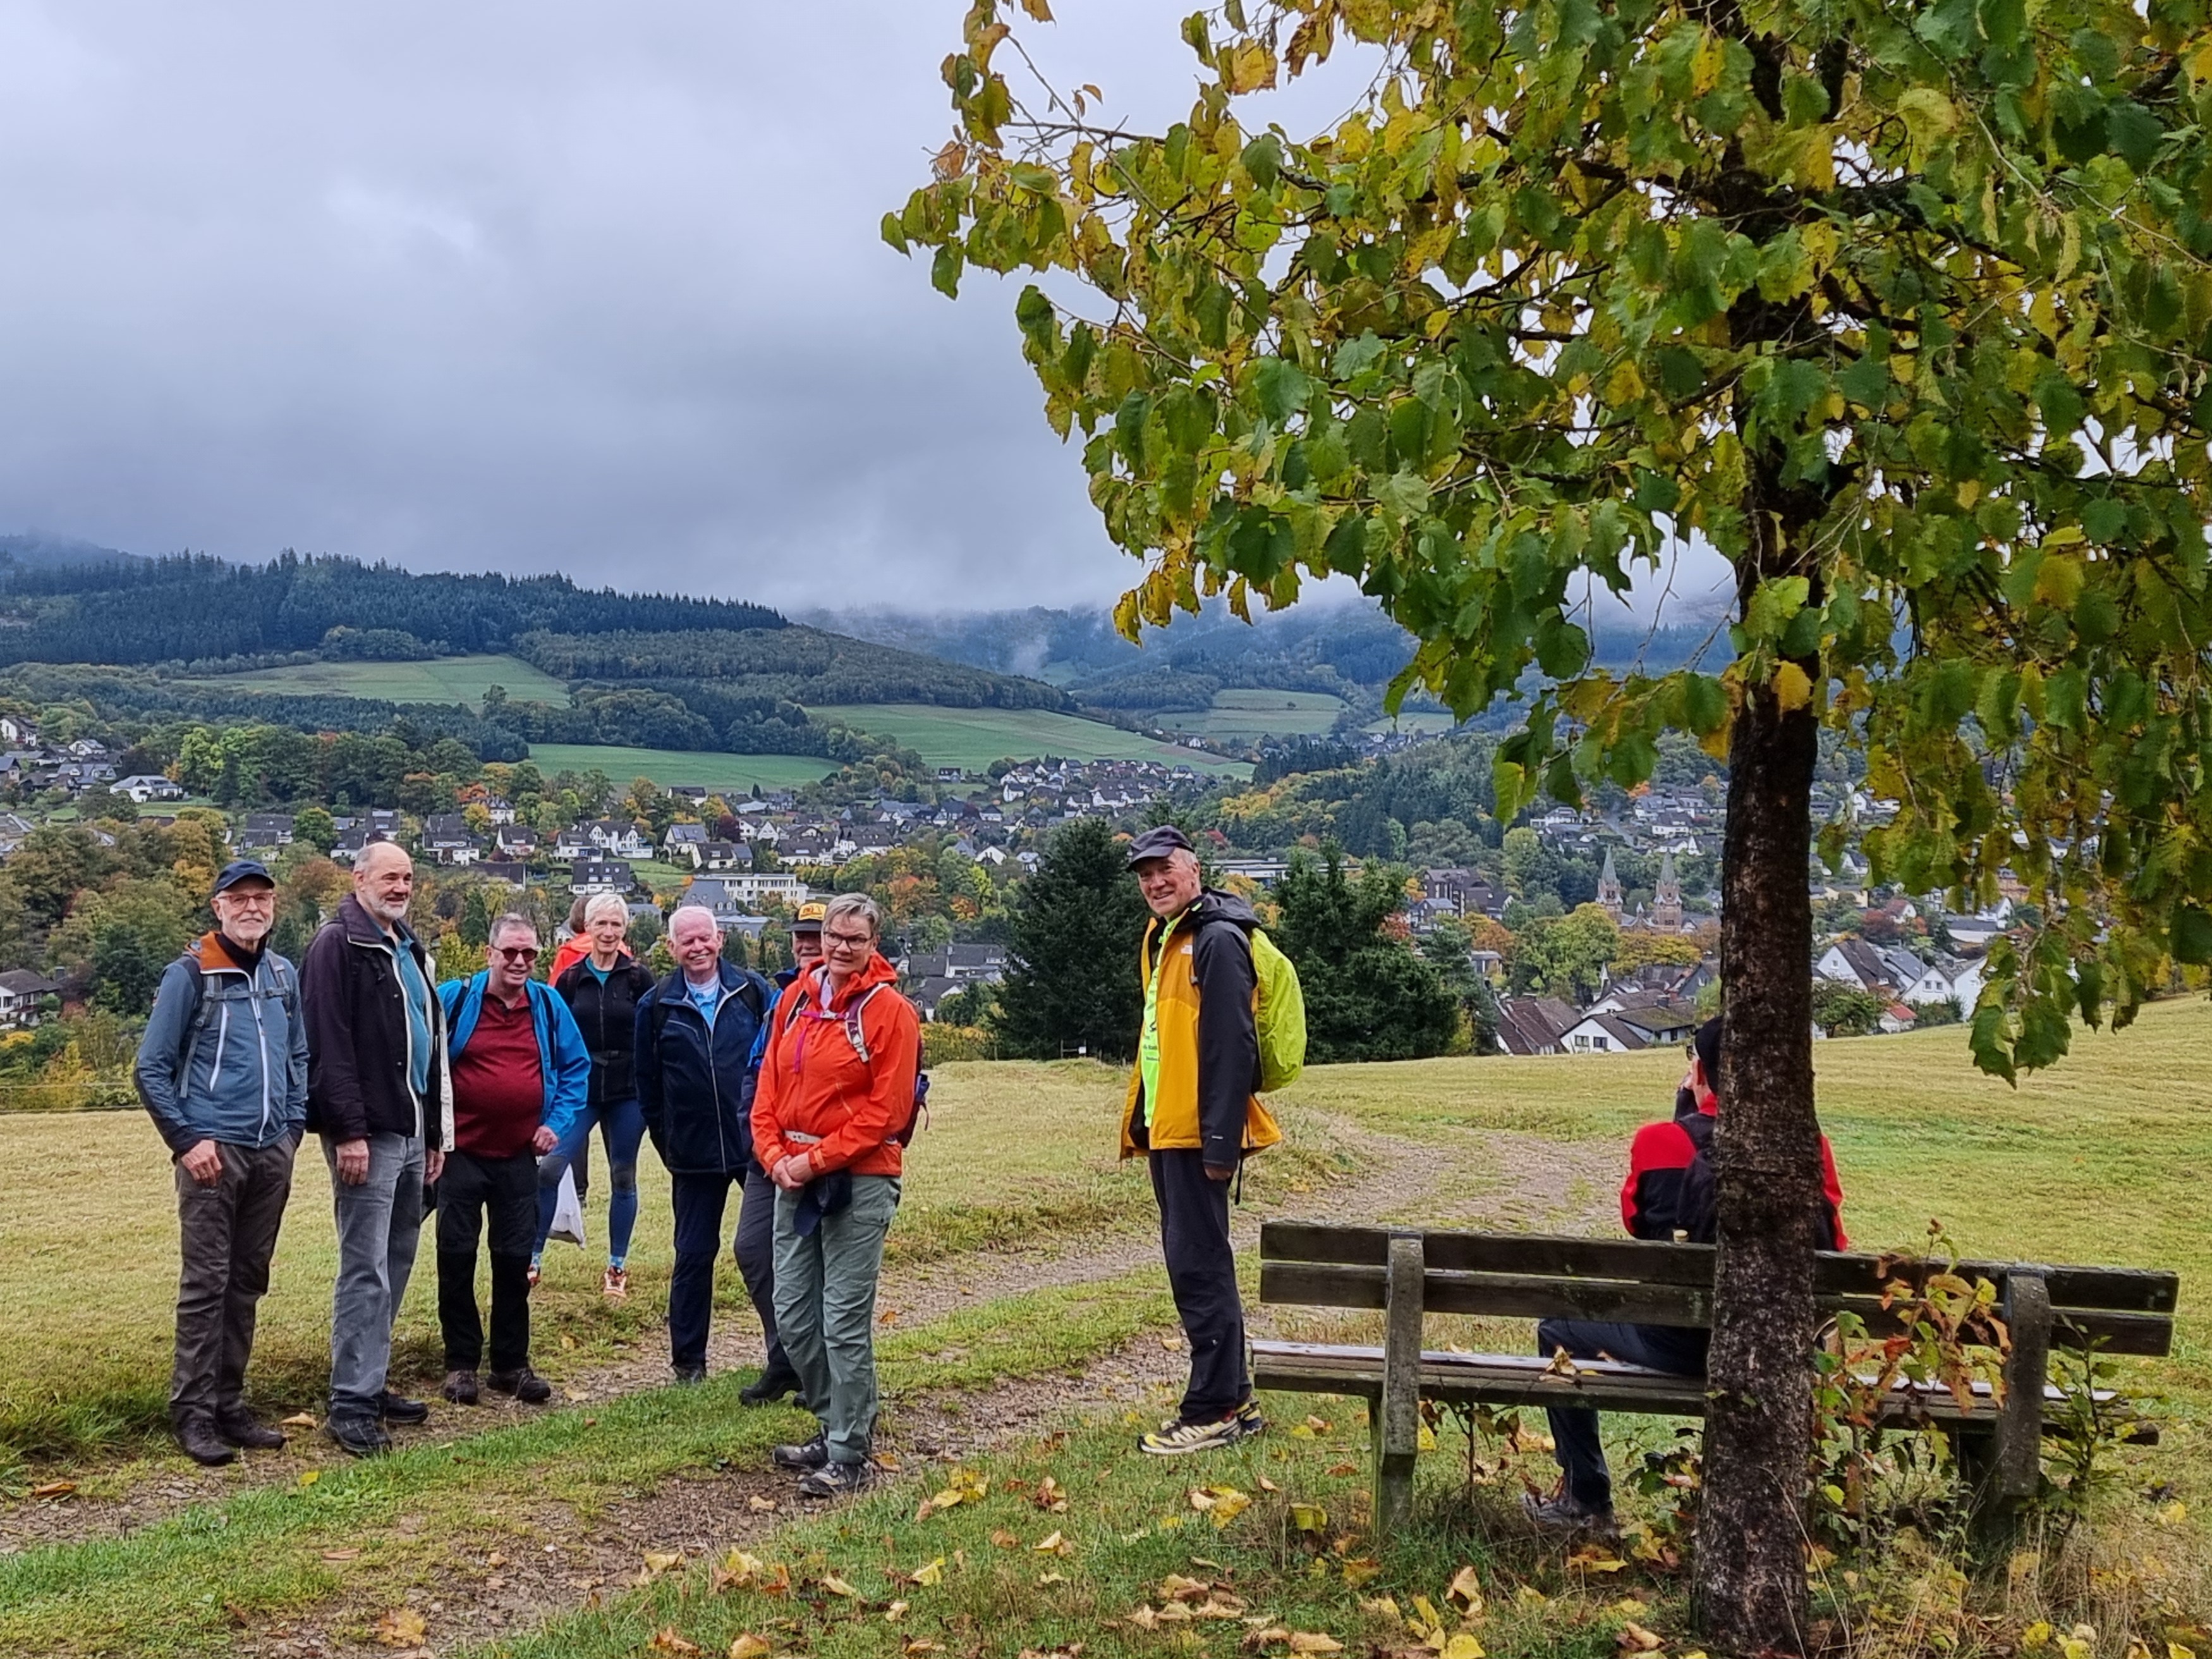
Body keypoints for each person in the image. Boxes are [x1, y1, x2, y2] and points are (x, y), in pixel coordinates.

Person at [1526, 1016, 1849, 1533]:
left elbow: (1637, 1224)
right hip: (1779, 1345)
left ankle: (1586, 1499)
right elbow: (1836, 1246)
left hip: (1678, 1341)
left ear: (1700, 1072)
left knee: (1557, 1327)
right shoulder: (1809, 1147)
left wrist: (1684, 1126)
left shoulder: (1658, 1141)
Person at [133, 859, 310, 1466]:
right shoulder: (191, 974)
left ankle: (230, 1403)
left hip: (270, 1151)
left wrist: (292, 1129)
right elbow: (150, 1067)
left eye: (262, 897)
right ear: (218, 907)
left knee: (247, 1281)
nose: (252, 907)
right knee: (206, 1284)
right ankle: (193, 1412)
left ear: (273, 906)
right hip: (212, 1153)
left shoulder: (283, 974)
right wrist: (186, 1140)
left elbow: (299, 1055)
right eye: (239, 899)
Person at [751, 892, 919, 1498]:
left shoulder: (889, 1010)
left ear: (874, 944)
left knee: (844, 1319)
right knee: (795, 1314)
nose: (842, 947)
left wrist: (814, 1159)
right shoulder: (794, 999)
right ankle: (834, 1419)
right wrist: (774, 1156)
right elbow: (768, 1082)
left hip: (860, 1177)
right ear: (820, 937)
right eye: (834, 936)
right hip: (792, 1173)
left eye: (856, 938)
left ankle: (848, 1449)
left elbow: (888, 1111)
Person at [1121, 825, 1282, 1455]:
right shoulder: (1170, 937)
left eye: (1165, 870)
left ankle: (1213, 1408)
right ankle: (1231, 1397)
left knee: (1199, 1267)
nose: (1155, 883)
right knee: (1196, 1261)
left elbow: (1229, 1044)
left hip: (1196, 1135)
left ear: (1194, 870)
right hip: (1171, 1128)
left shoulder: (1213, 939)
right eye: (1145, 875)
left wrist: (1219, 1144)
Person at [301, 840, 449, 1458]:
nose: (400, 887)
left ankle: (369, 1377)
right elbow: (327, 1045)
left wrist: (436, 1134)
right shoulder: (336, 945)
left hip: (411, 1130)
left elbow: (429, 1040)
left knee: (395, 1263)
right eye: (390, 876)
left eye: (408, 877)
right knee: (364, 1268)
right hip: (369, 1134)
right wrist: (350, 1131)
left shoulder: (404, 945)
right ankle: (351, 1402)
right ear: (358, 877)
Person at [434, 914, 590, 1406]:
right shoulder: (454, 999)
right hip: (460, 1153)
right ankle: (460, 1362)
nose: (520, 961)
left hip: (520, 1155)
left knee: (514, 1259)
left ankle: (510, 1364)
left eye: (529, 954)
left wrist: (555, 1124)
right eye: (510, 953)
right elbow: (422, 1060)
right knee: (455, 1257)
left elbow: (575, 1067)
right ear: (490, 953)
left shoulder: (547, 1004)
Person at [635, 904, 777, 1389]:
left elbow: (776, 1064)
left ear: (720, 939)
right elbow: (647, 1089)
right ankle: (689, 1363)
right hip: (692, 1154)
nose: (697, 948)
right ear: (672, 947)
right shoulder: (655, 1006)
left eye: (705, 938)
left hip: (754, 1147)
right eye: (686, 941)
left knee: (769, 1251)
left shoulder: (753, 992)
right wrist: (668, 1142)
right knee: (694, 1255)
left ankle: (786, 1354)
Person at [726, 899, 831, 1406]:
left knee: (820, 1265)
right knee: (752, 1248)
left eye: (818, 934)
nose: (809, 944)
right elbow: (759, 1070)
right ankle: (787, 1355)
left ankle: (822, 1374)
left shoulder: (856, 999)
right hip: (771, 1154)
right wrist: (756, 1140)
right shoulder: (782, 996)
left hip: (828, 1156)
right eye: (802, 935)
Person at [537, 893, 656, 1297]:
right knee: (549, 1169)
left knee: (623, 1175)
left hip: (627, 1091)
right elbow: (554, 1036)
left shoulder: (640, 978)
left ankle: (617, 1267)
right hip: (582, 1088)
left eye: (615, 925)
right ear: (587, 929)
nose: (608, 933)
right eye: (600, 925)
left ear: (625, 930)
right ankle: (531, 1260)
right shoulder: (571, 979)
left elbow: (655, 1034)